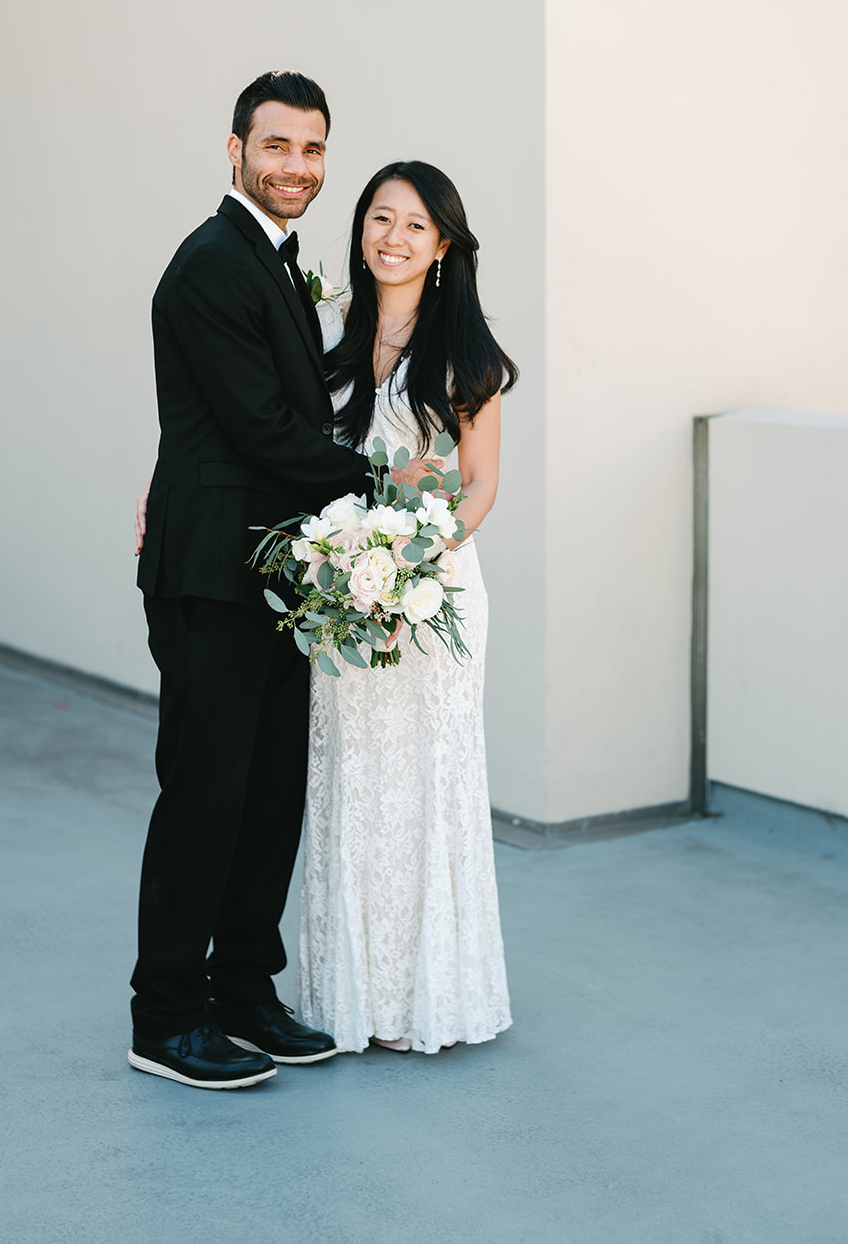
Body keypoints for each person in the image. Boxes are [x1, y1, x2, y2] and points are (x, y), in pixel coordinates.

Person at [129, 71, 380, 1090]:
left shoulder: (275, 262)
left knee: (269, 792)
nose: (297, 167)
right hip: (210, 574)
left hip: (277, 572)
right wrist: (380, 479)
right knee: (204, 793)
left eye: (313, 150)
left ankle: (243, 992)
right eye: (277, 146)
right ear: (235, 149)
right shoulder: (207, 267)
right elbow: (261, 429)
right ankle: (165, 1018)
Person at [298, 160, 518, 1054]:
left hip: (435, 599)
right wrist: (351, 568)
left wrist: (418, 562)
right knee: (353, 782)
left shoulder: (466, 355)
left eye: (414, 225)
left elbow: (479, 487)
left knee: (430, 785)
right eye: (378, 218)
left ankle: (434, 997)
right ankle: (350, 1000)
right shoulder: (328, 342)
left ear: (444, 247)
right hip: (345, 594)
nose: (392, 236)